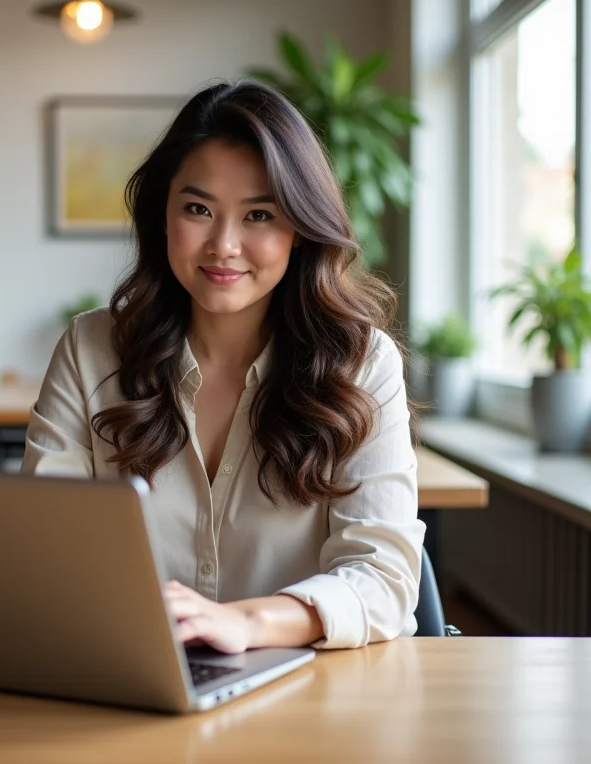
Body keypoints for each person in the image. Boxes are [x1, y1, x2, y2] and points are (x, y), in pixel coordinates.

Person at [21, 79, 426, 653]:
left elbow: (383, 579)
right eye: (197, 208)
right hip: (127, 679)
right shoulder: (91, 348)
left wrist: (247, 623)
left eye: (259, 214)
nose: (224, 244)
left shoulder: (361, 364)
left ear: (300, 229)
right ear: (163, 215)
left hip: (311, 699)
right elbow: (44, 552)